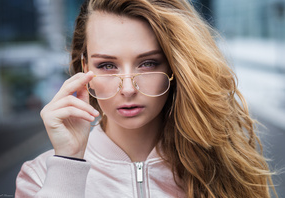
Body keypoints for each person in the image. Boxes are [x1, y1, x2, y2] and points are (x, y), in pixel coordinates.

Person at [15, 0, 276, 197]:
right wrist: (68, 164)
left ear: (174, 67)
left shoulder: (225, 166)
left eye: (148, 63)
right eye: (107, 65)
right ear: (85, 67)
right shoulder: (41, 177)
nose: (128, 88)